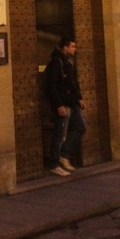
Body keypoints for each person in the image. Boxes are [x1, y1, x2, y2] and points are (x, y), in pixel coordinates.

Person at [43, 36, 86, 177]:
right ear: (65, 47)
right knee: (59, 134)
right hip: (63, 105)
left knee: (80, 127)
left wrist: (79, 98)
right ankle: (54, 164)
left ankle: (64, 154)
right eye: (73, 46)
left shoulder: (68, 62)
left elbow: (73, 83)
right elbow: (52, 86)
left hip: (72, 103)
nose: (75, 49)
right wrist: (59, 105)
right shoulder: (57, 63)